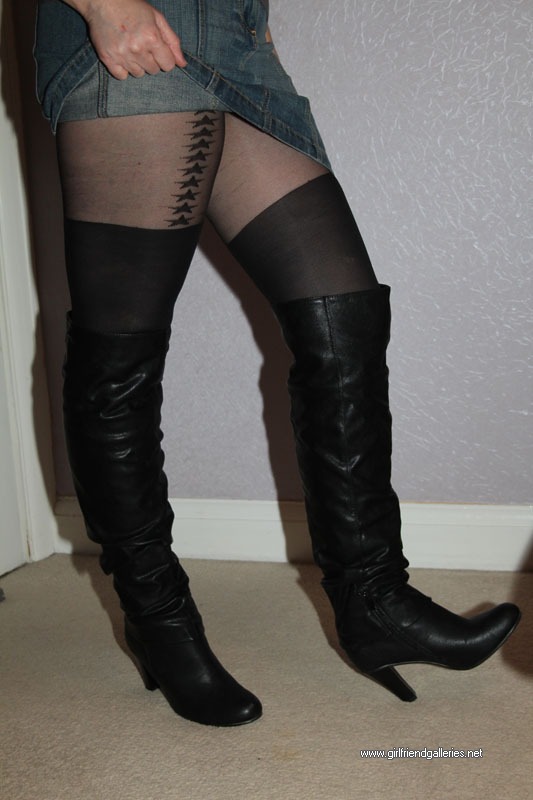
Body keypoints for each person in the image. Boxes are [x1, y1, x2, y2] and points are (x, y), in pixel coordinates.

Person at [33, 0, 520, 727]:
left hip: (234, 43)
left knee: (343, 321)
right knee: (120, 360)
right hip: (140, 27)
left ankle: (375, 600)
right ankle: (158, 618)